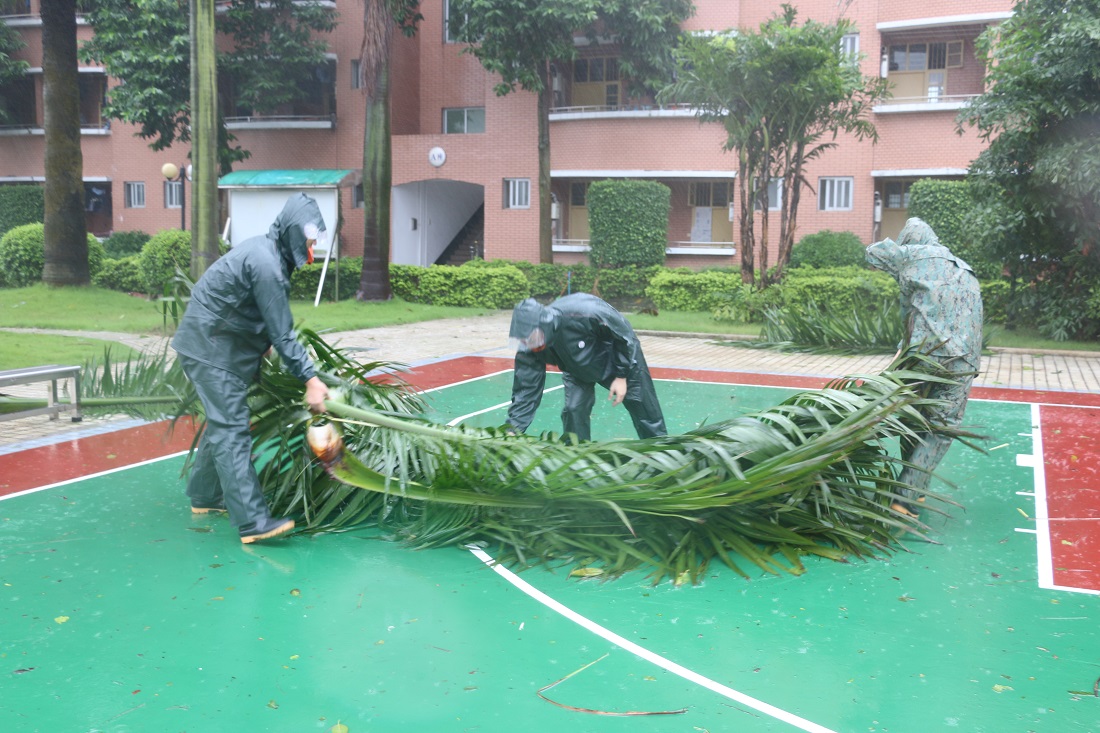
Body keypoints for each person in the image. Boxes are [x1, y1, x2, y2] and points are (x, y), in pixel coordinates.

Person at [172, 193, 330, 543]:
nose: (312, 247)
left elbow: (251, 309)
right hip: (211, 350)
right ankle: (252, 523)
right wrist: (311, 380)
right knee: (232, 430)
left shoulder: (267, 252)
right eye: (308, 239)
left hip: (212, 344)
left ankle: (205, 496)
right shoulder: (267, 264)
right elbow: (283, 332)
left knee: (225, 422)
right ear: (291, 232)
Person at [866, 217, 984, 517]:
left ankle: (903, 497)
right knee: (939, 426)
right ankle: (914, 487)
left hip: (927, 355)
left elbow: (874, 252)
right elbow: (915, 314)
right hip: (964, 360)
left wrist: (901, 254)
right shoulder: (964, 269)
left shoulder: (915, 255)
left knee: (911, 416)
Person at [505, 294, 667, 442]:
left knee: (644, 408)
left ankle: (659, 454)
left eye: (534, 340)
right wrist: (514, 428)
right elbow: (526, 389)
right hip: (575, 366)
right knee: (574, 409)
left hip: (617, 357)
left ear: (546, 327)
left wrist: (621, 375)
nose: (530, 345)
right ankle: (578, 456)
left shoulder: (586, 312)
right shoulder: (530, 344)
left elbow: (624, 337)